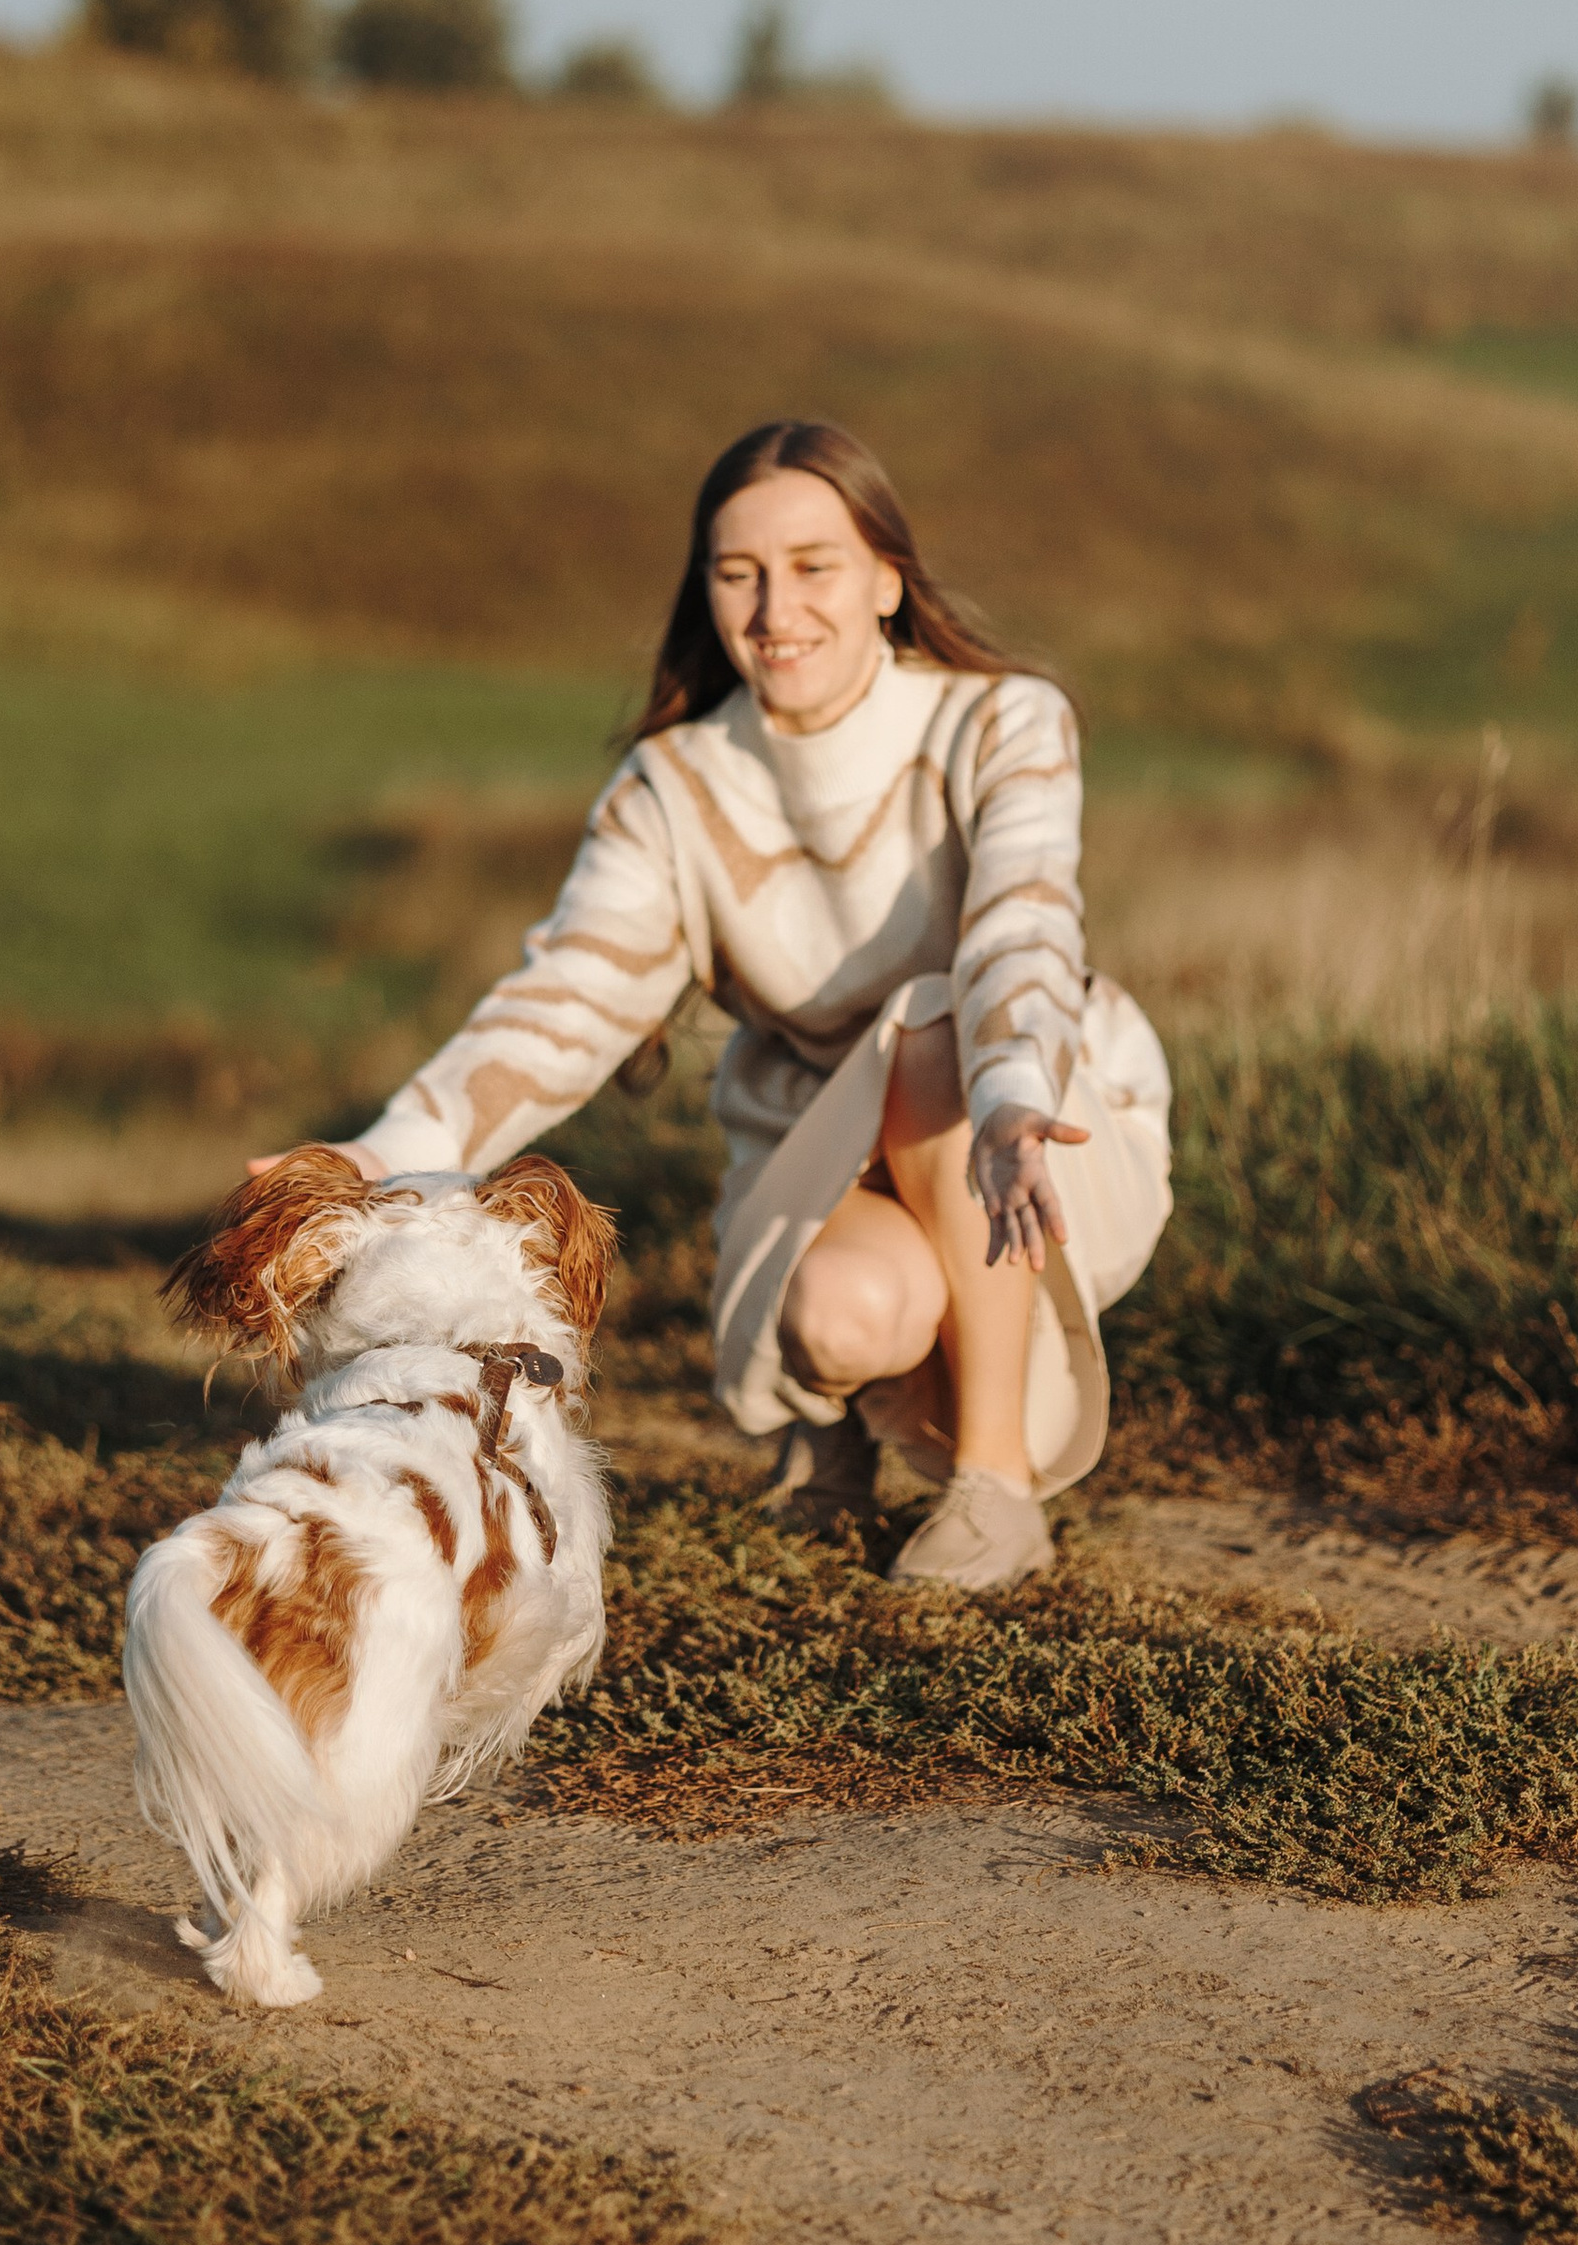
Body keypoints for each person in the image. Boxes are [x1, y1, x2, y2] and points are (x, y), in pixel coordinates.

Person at [290, 420, 1172, 1590]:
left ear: (887, 582)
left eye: (814, 566)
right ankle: (833, 1438)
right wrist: (380, 1158)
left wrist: (1012, 1091)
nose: (775, 610)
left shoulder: (1001, 720)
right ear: (705, 592)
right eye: (738, 574)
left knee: (929, 1021)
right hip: (821, 1143)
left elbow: (1021, 920)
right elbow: (566, 998)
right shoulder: (675, 785)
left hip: (1030, 1127)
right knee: (846, 1315)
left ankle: (996, 1490)